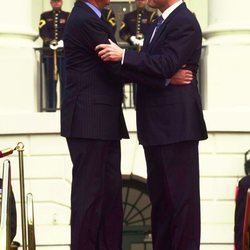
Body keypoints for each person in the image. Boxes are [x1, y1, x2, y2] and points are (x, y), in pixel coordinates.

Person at [61, 0, 193, 249]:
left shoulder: (96, 17)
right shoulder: (85, 19)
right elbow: (115, 66)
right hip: (89, 122)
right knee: (90, 202)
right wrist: (165, 78)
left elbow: (119, 63)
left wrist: (137, 64)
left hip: (103, 122)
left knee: (109, 204)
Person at [96, 0, 208, 249]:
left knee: (181, 206)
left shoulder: (184, 21)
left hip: (176, 128)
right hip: (155, 128)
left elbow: (163, 64)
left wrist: (125, 55)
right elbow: (154, 69)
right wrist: (167, 79)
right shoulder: (156, 23)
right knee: (161, 207)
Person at [38, 0, 69, 111]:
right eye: (54, 2)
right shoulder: (44, 16)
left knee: (65, 82)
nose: (56, 3)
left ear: (61, 2)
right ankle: (51, 108)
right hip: (49, 55)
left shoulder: (67, 16)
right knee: (50, 82)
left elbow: (69, 31)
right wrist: (51, 42)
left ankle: (65, 108)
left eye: (58, 1)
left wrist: (62, 42)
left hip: (64, 55)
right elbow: (43, 32)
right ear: (51, 3)